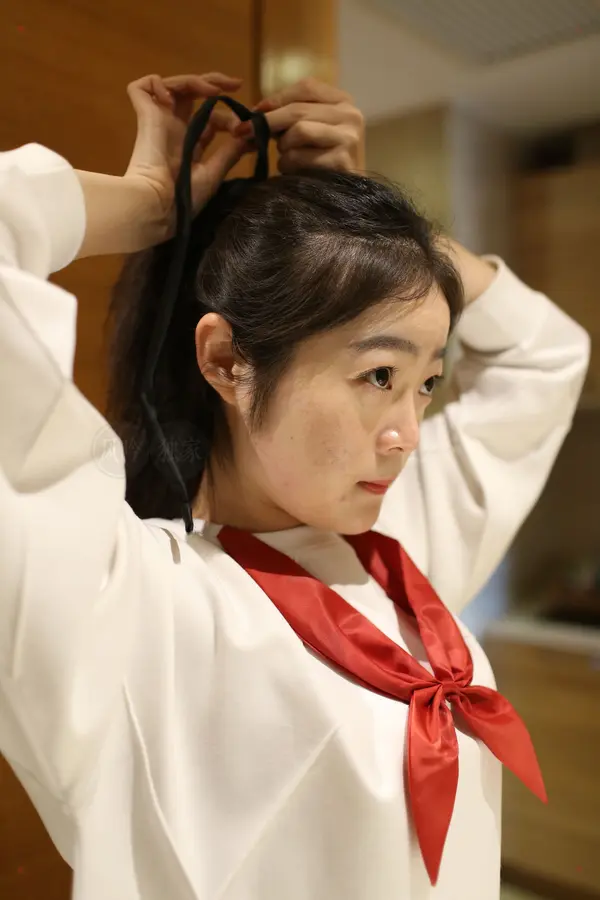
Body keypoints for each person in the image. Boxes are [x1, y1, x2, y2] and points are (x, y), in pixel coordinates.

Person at [0, 70, 589, 900]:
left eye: (426, 383)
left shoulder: (400, 545)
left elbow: (546, 355)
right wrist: (149, 206)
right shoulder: (123, 604)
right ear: (225, 361)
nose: (408, 434)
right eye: (378, 375)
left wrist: (377, 230)